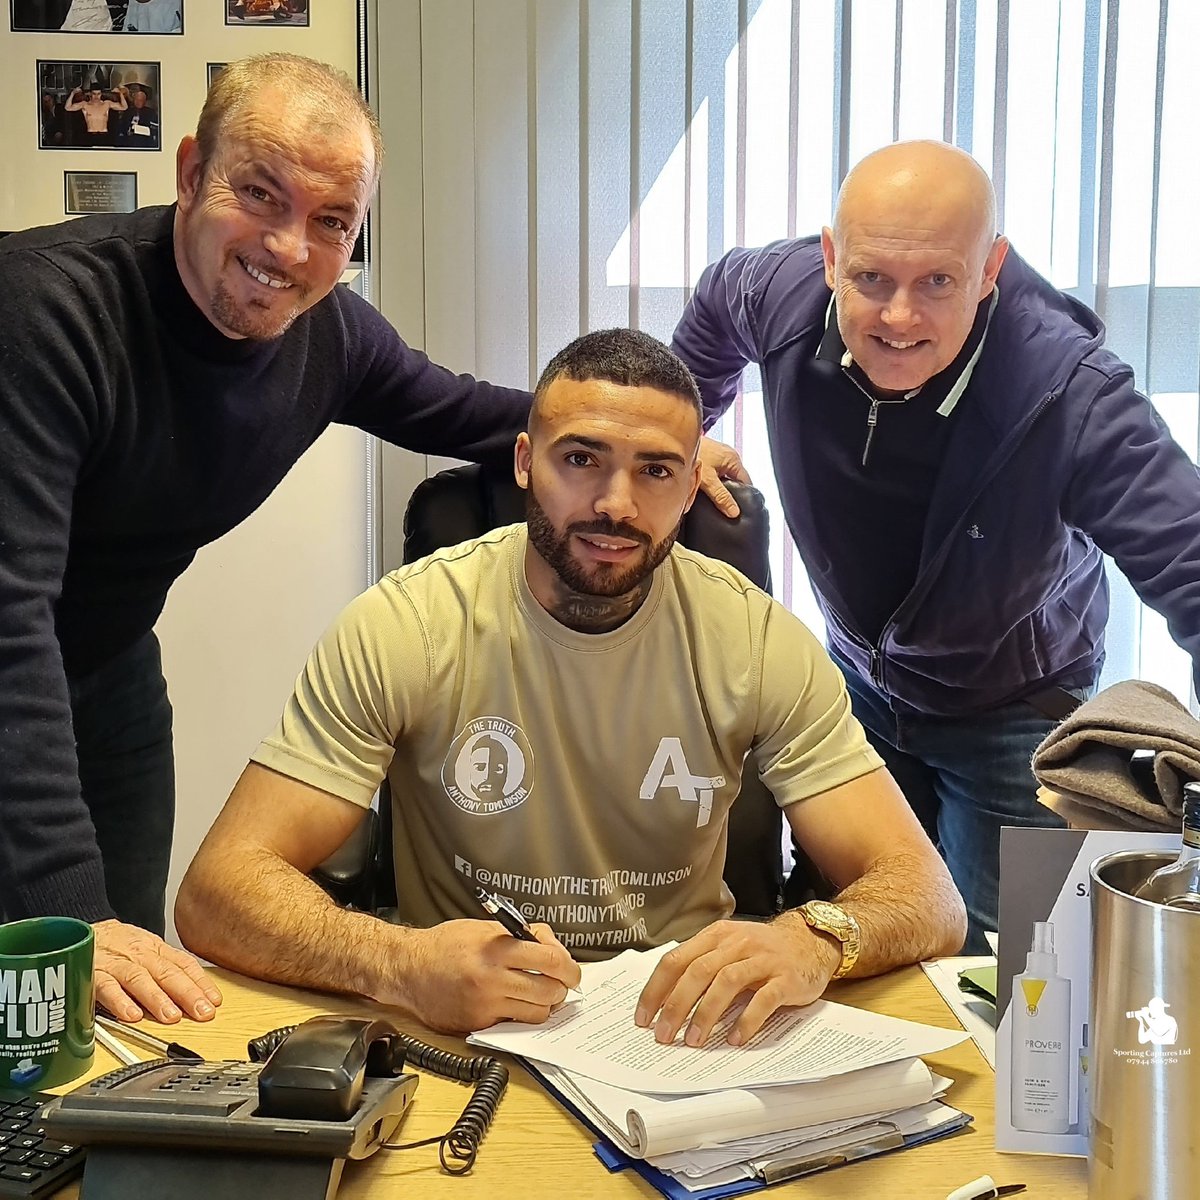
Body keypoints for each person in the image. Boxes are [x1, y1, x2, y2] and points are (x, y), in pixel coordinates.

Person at [174, 328, 966, 1042]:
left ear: (692, 488)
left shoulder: (755, 639)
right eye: (581, 459)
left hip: (686, 1031)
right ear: (525, 462)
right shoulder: (405, 625)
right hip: (463, 1026)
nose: (615, 505)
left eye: (655, 471)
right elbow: (218, 890)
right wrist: (399, 963)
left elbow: (930, 896)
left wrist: (811, 940)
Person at [0, 53, 540, 1030]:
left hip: (111, 679)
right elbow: (8, 625)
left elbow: (473, 415)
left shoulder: (328, 338)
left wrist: (650, 434)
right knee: (42, 986)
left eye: (332, 222)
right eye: (260, 194)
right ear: (190, 171)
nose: (291, 249)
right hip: (13, 664)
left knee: (120, 1006)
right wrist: (69, 912)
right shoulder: (45, 314)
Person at [670, 139, 1200, 953]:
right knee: (852, 939)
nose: (899, 317)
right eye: (871, 279)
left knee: (1016, 985)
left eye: (938, 283)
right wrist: (686, 430)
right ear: (830, 260)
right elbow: (712, 308)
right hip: (856, 688)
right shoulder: (779, 294)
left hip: (1014, 712)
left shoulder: (1072, 396)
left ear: (990, 270)